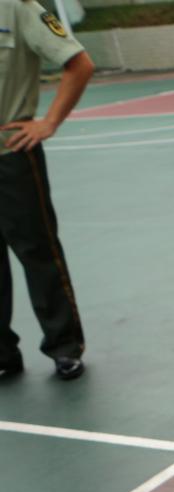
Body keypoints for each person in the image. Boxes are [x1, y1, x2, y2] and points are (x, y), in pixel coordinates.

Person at [0, 0, 93, 381]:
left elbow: (78, 64)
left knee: (39, 252)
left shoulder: (17, 9)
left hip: (12, 155)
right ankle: (2, 354)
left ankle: (64, 347)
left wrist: (49, 123)